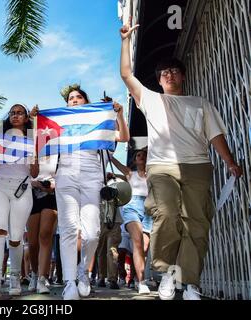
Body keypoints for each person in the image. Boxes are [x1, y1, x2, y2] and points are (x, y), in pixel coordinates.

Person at [120, 19, 243, 300]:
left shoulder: (200, 103)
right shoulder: (150, 99)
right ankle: (166, 273)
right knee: (166, 215)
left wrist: (230, 162)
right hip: (161, 167)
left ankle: (189, 283)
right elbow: (127, 74)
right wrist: (125, 41)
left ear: (182, 76)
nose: (169, 75)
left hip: (198, 165)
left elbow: (215, 136)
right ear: (159, 79)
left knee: (196, 223)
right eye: (164, 73)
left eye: (174, 71)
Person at [33, 86, 129, 300]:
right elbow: (38, 142)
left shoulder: (96, 122)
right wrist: (35, 121)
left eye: (78, 97)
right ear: (67, 104)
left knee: (92, 232)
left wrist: (119, 114)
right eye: (70, 98)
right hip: (65, 176)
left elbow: (123, 137)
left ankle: (83, 271)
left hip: (92, 177)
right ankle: (69, 282)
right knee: (68, 229)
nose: (74, 100)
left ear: (86, 101)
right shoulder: (60, 124)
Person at [0, 103, 39, 299]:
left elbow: (34, 173)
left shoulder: (33, 139)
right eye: (12, 112)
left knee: (15, 238)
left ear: (25, 117)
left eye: (20, 112)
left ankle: (15, 277)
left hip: (22, 188)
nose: (15, 115)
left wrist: (34, 156)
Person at [111, 149, 152, 294]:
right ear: (134, 161)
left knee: (144, 248)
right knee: (138, 242)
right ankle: (142, 282)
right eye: (138, 155)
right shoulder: (130, 173)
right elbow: (117, 164)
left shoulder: (153, 174)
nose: (141, 156)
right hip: (132, 207)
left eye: (144, 155)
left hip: (148, 210)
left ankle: (135, 277)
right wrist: (108, 156)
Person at [27, 155, 58, 294]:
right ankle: (34, 273)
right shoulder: (29, 146)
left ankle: (42, 278)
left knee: (45, 234)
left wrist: (54, 185)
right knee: (33, 242)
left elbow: (64, 172)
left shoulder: (58, 149)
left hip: (51, 194)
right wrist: (33, 183)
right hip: (30, 193)